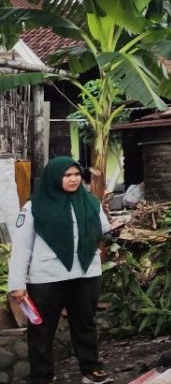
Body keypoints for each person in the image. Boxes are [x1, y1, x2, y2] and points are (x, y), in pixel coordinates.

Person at [8, 157, 113, 384]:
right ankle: (42, 375)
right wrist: (17, 284)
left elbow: (104, 229)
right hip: (47, 277)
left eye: (76, 174)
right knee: (42, 329)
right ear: (54, 178)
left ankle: (91, 370)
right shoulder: (34, 206)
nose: (73, 179)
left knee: (85, 323)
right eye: (67, 175)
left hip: (86, 274)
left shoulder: (90, 202)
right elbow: (21, 247)